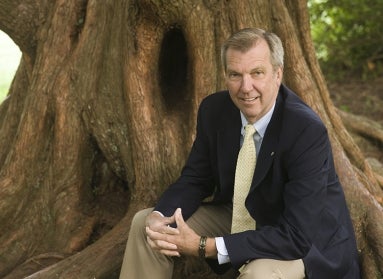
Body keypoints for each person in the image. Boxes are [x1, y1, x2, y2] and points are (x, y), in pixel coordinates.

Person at [119, 28, 361, 279]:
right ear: (225, 75)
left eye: (257, 73)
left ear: (277, 75)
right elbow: (195, 179)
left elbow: (296, 236)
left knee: (259, 275)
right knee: (146, 226)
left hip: (302, 239)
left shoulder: (305, 130)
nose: (246, 87)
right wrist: (161, 216)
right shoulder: (214, 110)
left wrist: (206, 247)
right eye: (236, 75)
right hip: (242, 214)